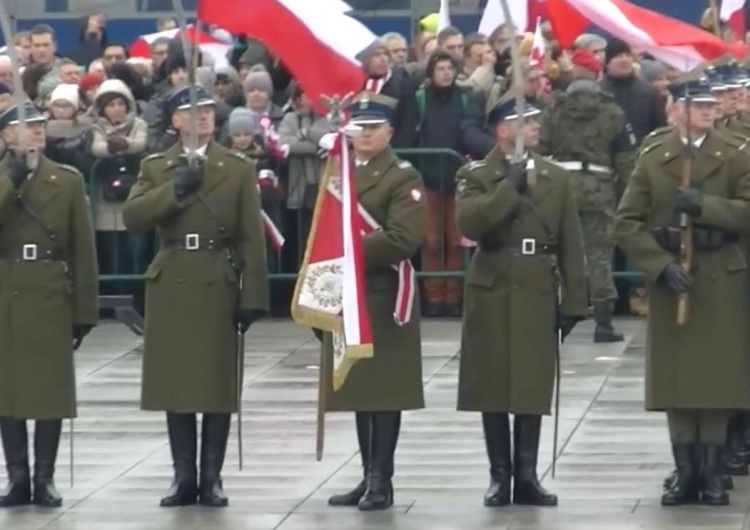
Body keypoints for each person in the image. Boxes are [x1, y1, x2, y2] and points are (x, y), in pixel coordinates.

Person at [122, 84, 269, 508]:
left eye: (207, 110)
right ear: (175, 120)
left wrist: (252, 296)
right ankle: (182, 476)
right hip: (172, 281)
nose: (203, 117)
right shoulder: (157, 166)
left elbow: (250, 238)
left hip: (217, 278)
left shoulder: (236, 167)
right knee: (178, 384)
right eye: (193, 111)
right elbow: (134, 217)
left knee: (216, 384)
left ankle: (212, 477)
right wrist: (176, 189)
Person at [614, 76, 750, 507]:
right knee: (676, 379)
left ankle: (711, 473)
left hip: (719, 274)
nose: (709, 110)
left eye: (712, 104)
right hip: (673, 277)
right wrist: (659, 264)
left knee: (715, 378)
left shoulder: (734, 154)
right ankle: (685, 469)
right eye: (700, 105)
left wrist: (705, 207)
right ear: (679, 109)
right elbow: (626, 222)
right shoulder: (656, 157)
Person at [454, 89, 588, 507]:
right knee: (491, 384)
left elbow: (570, 240)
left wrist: (575, 301)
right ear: (502, 130)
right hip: (492, 284)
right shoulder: (475, 175)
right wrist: (507, 188)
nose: (535, 127)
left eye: (534, 120)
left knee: (531, 382)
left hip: (536, 285)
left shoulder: (554, 176)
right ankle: (500, 476)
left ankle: (527, 476)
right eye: (526, 121)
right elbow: (472, 223)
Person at [324, 92, 425, 511]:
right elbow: (322, 230)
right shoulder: (339, 173)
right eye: (358, 128)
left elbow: (404, 238)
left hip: (383, 292)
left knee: (385, 391)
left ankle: (382, 479)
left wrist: (348, 249)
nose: (364, 135)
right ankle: (367, 475)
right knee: (359, 388)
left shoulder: (402, 176)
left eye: (372, 128)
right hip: (349, 291)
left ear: (390, 132)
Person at [0, 101, 98, 507]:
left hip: (50, 290)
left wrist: (84, 311)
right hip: (6, 289)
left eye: (40, 125)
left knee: (49, 390)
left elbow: (82, 249)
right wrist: (10, 181)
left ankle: (45, 476)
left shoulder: (67, 180)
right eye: (27, 126)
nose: (37, 132)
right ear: (6, 136)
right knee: (7, 390)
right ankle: (17, 476)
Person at [537, 48, 637, 342]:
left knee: (557, 253)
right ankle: (603, 322)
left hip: (561, 186)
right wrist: (625, 197)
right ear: (597, 76)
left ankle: (557, 314)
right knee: (599, 255)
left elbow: (540, 149)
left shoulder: (554, 108)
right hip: (599, 188)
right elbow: (626, 160)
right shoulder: (612, 110)